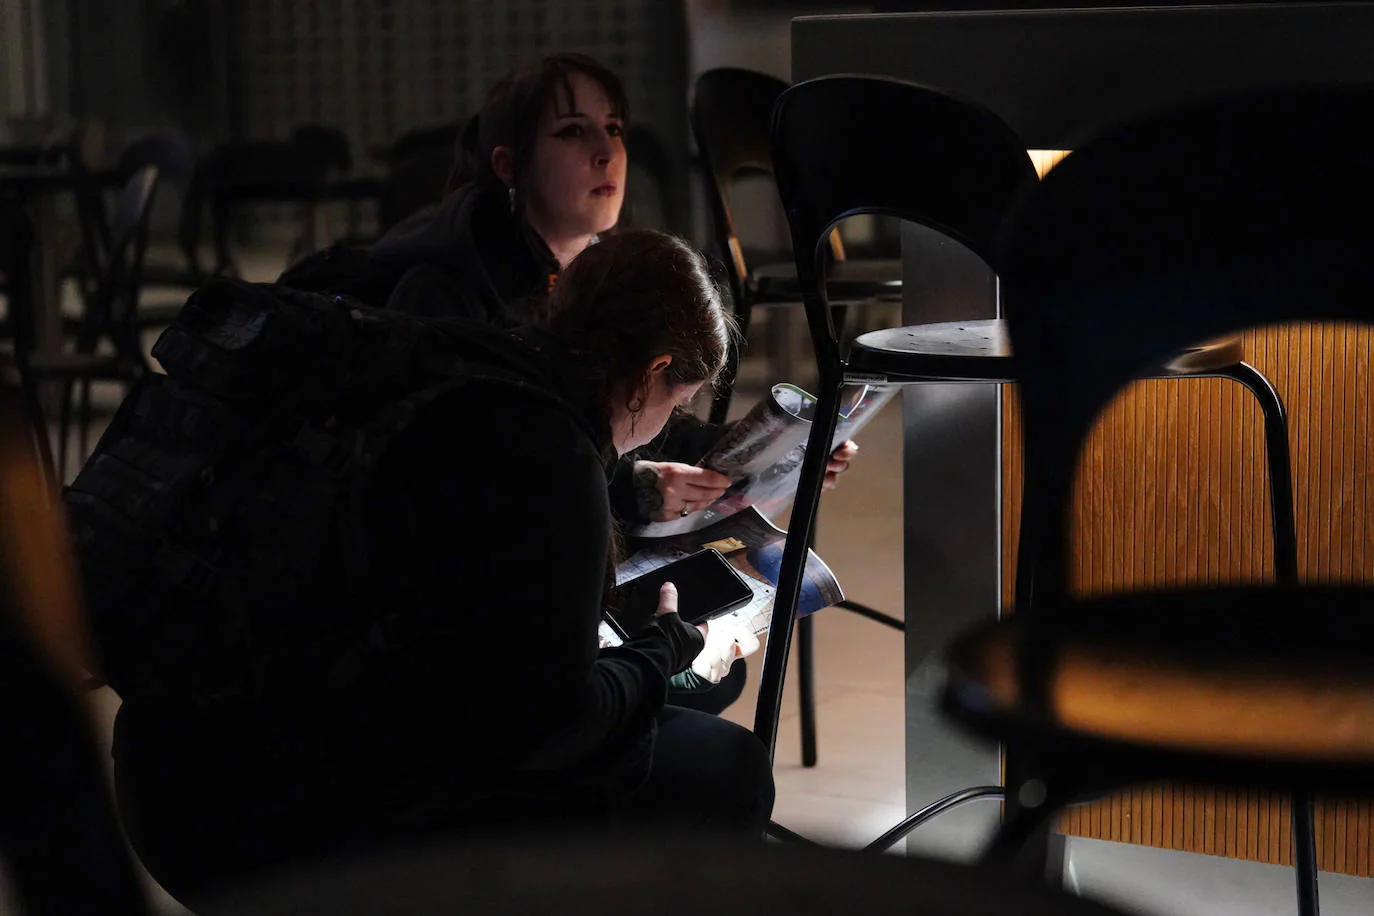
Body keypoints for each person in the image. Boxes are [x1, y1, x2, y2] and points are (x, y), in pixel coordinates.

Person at [105, 231, 775, 903]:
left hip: (165, 763)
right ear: (652, 374)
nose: (667, 425)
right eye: (677, 404)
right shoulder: (550, 454)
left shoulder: (462, 362)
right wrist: (660, 651)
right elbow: (548, 729)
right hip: (281, 821)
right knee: (725, 768)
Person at [369, 54, 860, 713]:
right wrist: (629, 489)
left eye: (616, 128)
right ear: (508, 166)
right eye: (574, 132)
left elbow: (648, 412)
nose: (607, 152)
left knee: (709, 648)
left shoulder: (606, 263)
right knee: (690, 674)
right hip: (477, 618)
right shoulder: (451, 291)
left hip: (572, 568)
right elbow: (483, 480)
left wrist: (772, 451)